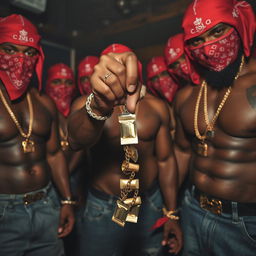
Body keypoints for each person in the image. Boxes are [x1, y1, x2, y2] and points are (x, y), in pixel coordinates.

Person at [68, 43, 182, 256]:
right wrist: (98, 107)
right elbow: (75, 141)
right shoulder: (86, 106)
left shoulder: (156, 107)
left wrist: (172, 213)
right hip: (105, 207)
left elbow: (166, 161)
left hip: (149, 204)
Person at [174, 0, 256, 255]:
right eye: (197, 41)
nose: (209, 48)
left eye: (218, 32)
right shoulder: (188, 96)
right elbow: (181, 153)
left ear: (238, 25)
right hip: (191, 208)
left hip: (243, 222)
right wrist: (170, 211)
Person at [0, 14, 74, 256]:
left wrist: (66, 200)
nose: (21, 60)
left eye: (29, 52)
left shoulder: (44, 102)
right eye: (10, 49)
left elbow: (54, 155)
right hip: (4, 212)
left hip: (46, 204)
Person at [146, 56, 179, 138]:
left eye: (164, 74)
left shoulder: (187, 98)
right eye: (154, 78)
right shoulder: (155, 108)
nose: (160, 81)